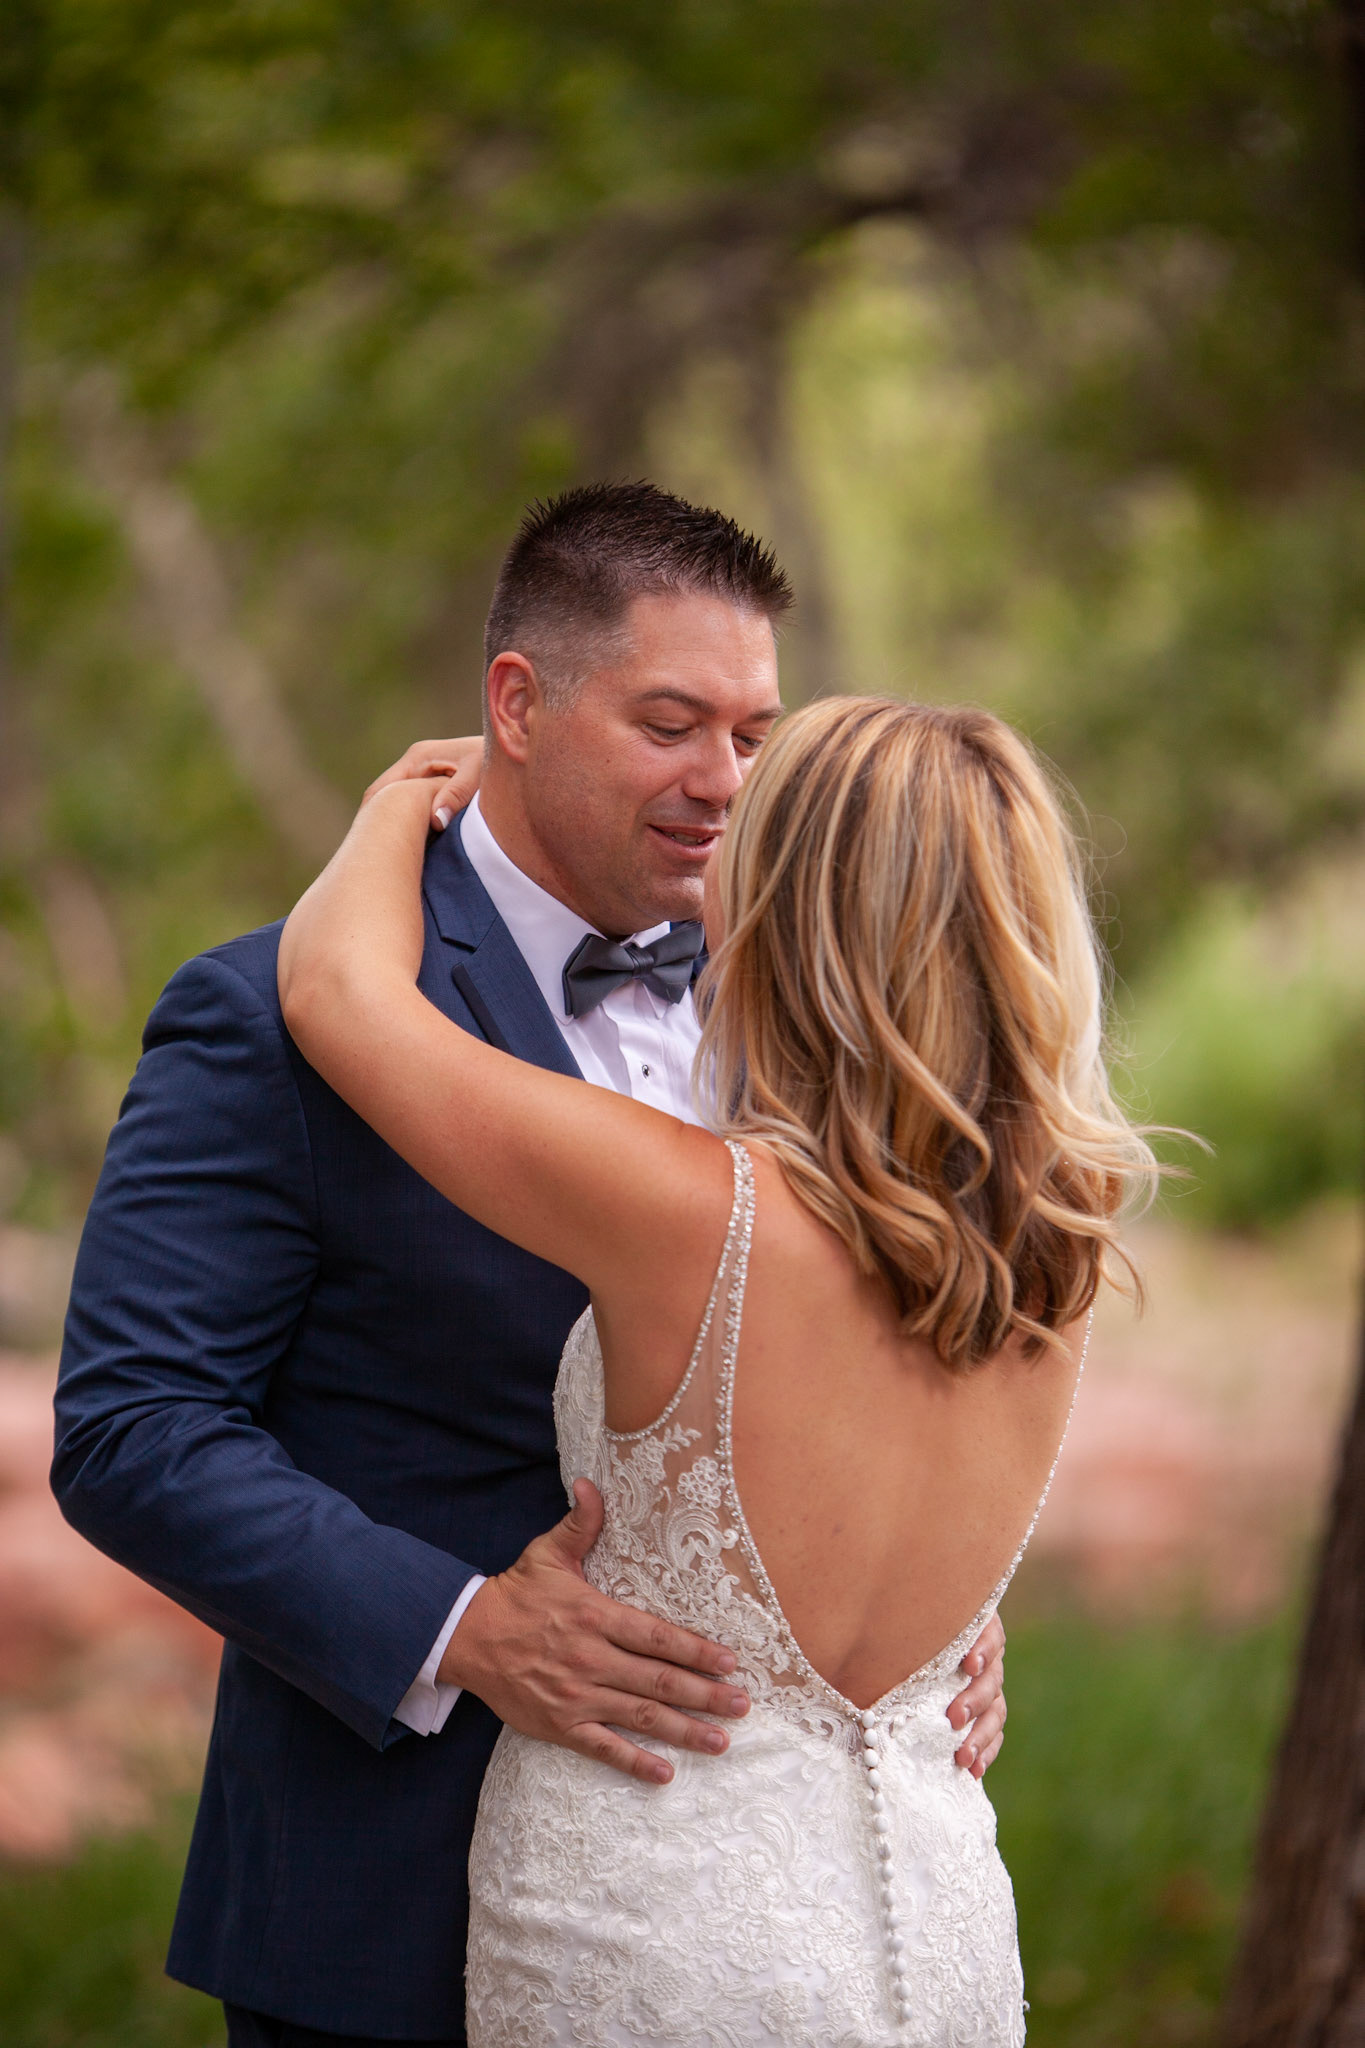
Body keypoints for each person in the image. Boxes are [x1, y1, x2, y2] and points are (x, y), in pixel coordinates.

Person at [51, 483, 1007, 2048]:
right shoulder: (271, 1015)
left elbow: (869, 1369)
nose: (722, 782)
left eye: (753, 736)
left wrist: (919, 1608)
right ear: (515, 705)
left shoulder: (812, 1013)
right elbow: (133, 1431)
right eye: (669, 726)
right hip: (389, 1906)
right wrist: (462, 1629)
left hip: (769, 1917)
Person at [278, 690, 1159, 2046]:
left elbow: (335, 993)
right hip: (939, 1930)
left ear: (792, 911)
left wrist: (404, 796)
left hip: (659, 1934)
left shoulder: (692, 1212)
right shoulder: (1062, 1247)